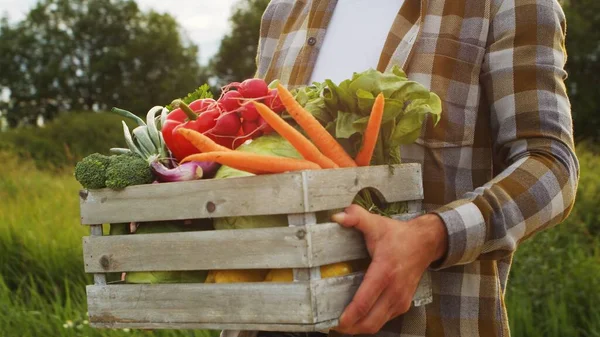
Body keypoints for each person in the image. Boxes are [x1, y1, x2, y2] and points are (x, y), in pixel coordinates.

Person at [250, 0, 579, 336]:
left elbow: (551, 163)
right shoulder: (285, 10)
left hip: (425, 325)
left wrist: (432, 236)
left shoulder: (507, 6)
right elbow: (255, 149)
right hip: (268, 321)